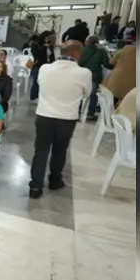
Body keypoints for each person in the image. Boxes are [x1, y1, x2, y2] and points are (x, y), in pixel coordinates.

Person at [28, 41, 91, 199]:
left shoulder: (45, 68)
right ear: (76, 54)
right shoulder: (84, 73)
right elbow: (87, 94)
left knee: (40, 151)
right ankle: (55, 180)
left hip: (44, 115)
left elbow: (40, 84)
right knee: (60, 151)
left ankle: (35, 186)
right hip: (66, 118)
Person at [78, 36, 112, 121]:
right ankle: (90, 115)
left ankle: (76, 114)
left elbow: (78, 62)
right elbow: (106, 64)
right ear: (97, 43)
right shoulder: (101, 52)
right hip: (94, 76)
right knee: (93, 96)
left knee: (79, 95)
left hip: (82, 75)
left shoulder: (82, 50)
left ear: (87, 42)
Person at [29, 32, 56, 101]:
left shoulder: (50, 46)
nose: (49, 39)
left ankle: (41, 96)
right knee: (36, 82)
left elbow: (52, 57)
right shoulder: (36, 45)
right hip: (39, 65)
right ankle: (34, 97)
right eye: (48, 38)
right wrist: (44, 47)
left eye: (50, 38)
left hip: (48, 66)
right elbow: (38, 55)